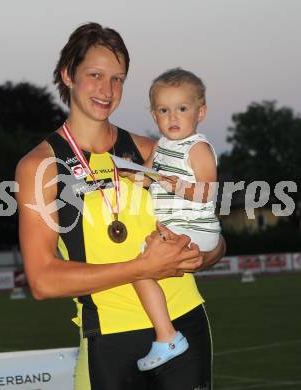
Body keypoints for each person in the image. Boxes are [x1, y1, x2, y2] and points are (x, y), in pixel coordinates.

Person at [15, 22, 226, 390]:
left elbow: (210, 231)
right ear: (68, 75)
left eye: (118, 79)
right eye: (95, 75)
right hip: (111, 340)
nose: (107, 90)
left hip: (186, 320)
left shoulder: (150, 150)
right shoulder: (40, 167)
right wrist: (140, 268)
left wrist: (202, 256)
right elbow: (43, 280)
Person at [123, 68, 221, 371]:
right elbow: (147, 178)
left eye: (182, 108)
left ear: (200, 112)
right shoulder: (162, 146)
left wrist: (172, 184)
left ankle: (167, 336)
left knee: (140, 269)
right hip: (176, 228)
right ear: (154, 115)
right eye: (164, 110)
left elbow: (206, 192)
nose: (172, 117)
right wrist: (128, 173)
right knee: (141, 269)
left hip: (196, 229)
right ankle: (166, 333)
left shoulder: (198, 148)